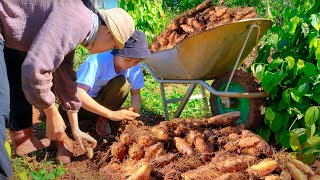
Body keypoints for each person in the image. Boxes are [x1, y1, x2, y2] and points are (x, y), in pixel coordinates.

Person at [0, 1, 138, 175]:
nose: (107, 51)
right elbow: (35, 69)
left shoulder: (78, 24)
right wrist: (51, 113)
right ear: (109, 32)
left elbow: (66, 82)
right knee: (0, 107)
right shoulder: (78, 19)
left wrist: (76, 129)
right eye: (114, 46)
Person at [75, 30, 151, 137]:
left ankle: (102, 119)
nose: (132, 64)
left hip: (102, 106)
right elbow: (78, 94)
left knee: (122, 84)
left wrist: (134, 109)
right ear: (116, 51)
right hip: (81, 108)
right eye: (128, 59)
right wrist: (111, 114)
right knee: (120, 81)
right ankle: (102, 116)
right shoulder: (95, 61)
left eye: (137, 61)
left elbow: (136, 94)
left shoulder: (134, 66)